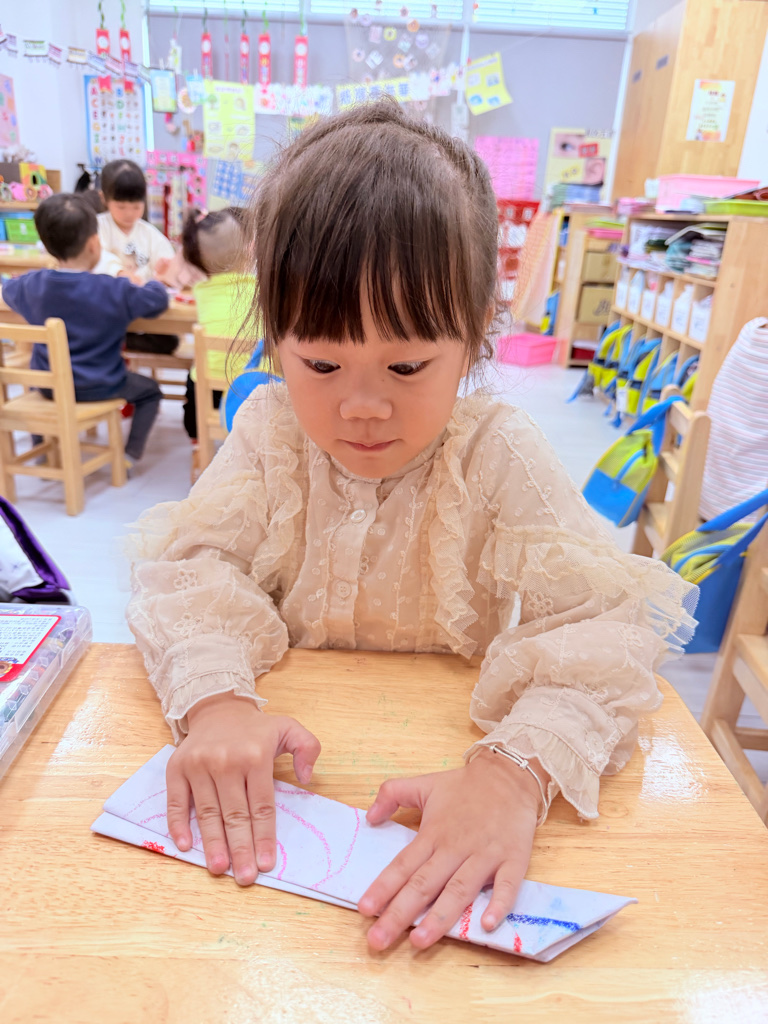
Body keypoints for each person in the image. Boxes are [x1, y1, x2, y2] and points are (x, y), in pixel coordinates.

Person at [126, 102, 697, 953]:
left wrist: (513, 774)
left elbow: (603, 630)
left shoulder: (496, 450)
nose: (362, 406)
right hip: (303, 794)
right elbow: (193, 569)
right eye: (321, 362)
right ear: (273, 336)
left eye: (406, 364)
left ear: (477, 335)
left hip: (444, 763)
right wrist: (216, 703)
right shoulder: (271, 432)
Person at [1, 193, 168, 463]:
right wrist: (154, 281)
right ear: (93, 244)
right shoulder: (113, 289)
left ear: (47, 245)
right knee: (150, 392)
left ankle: (42, 450)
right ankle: (129, 456)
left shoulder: (31, 286)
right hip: (102, 384)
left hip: (48, 387)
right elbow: (157, 301)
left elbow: (8, 290)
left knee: (37, 379)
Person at [175, 206, 256, 442]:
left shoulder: (201, 290)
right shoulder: (261, 289)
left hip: (208, 392)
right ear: (249, 251)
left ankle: (197, 441)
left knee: (195, 375)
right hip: (250, 389)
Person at [97, 158, 178, 355]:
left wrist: (163, 273)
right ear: (104, 198)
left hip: (140, 308)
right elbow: (96, 258)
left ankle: (121, 342)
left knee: (170, 341)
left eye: (136, 207)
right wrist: (120, 272)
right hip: (108, 307)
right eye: (121, 207)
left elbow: (167, 263)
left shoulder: (149, 233)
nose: (129, 214)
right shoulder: (97, 226)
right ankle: (115, 340)